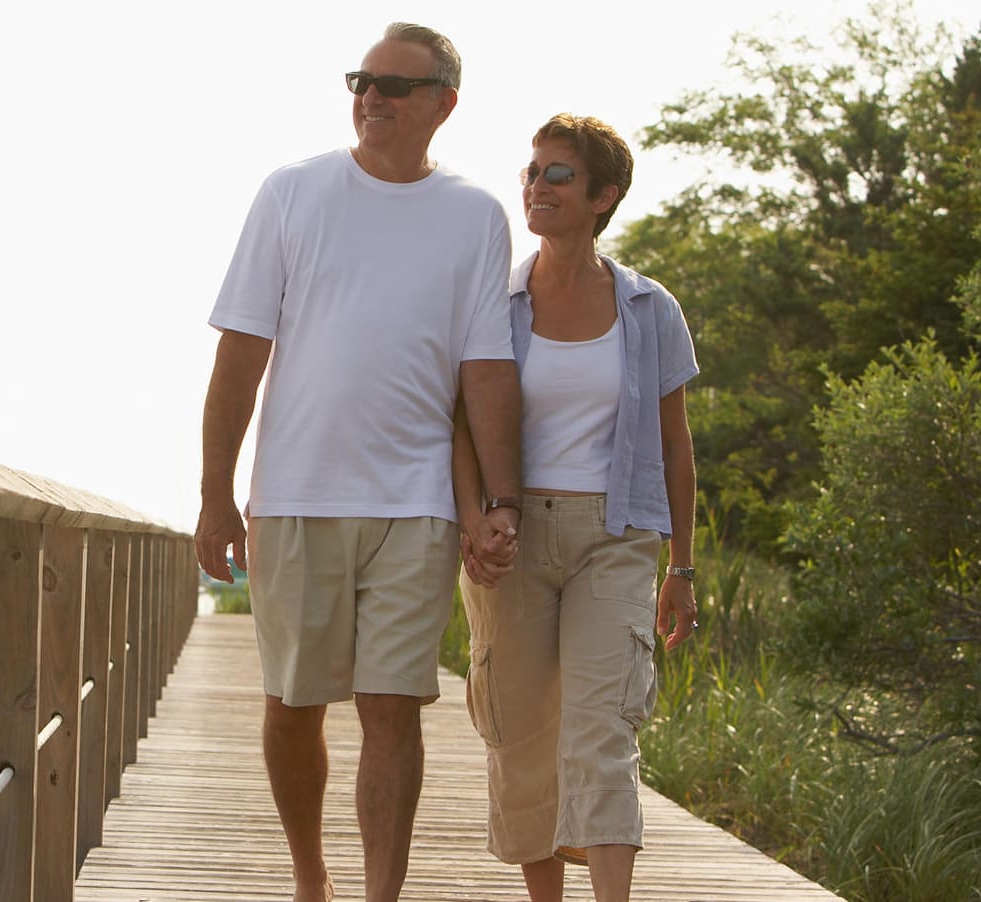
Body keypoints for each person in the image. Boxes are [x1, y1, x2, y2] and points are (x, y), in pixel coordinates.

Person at [194, 22, 523, 902]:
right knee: (292, 706)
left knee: (391, 708)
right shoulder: (293, 192)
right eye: (360, 79)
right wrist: (214, 496)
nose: (369, 96)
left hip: (417, 502)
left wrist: (502, 503)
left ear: (442, 105)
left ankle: (381, 894)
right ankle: (311, 878)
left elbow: (485, 369)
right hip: (295, 494)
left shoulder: (474, 214)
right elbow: (240, 355)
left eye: (392, 85)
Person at [455, 113, 700, 902]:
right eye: (531, 171)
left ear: (604, 196)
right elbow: (455, 422)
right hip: (511, 537)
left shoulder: (647, 308)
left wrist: (682, 566)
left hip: (614, 536)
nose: (536, 185)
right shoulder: (494, 301)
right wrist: (474, 519)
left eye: (557, 173)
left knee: (602, 732)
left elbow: (674, 445)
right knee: (519, 734)